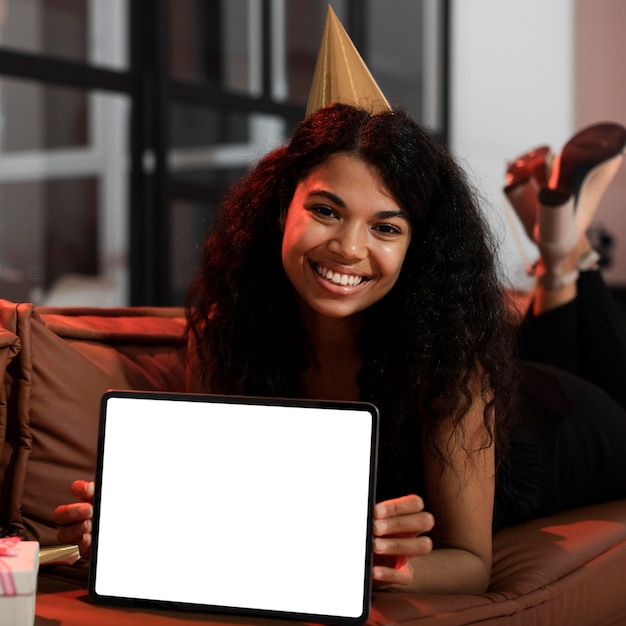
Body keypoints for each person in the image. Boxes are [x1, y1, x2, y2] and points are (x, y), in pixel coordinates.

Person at [54, 6, 626, 597]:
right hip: (516, 382)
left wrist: (359, 561)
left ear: (415, 248)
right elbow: (227, 503)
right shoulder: (227, 334)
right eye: (326, 211)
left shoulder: (453, 369)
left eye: (386, 227)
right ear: (281, 208)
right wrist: (137, 528)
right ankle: (561, 256)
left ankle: (561, 261)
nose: (348, 249)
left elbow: (469, 563)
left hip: (559, 432)